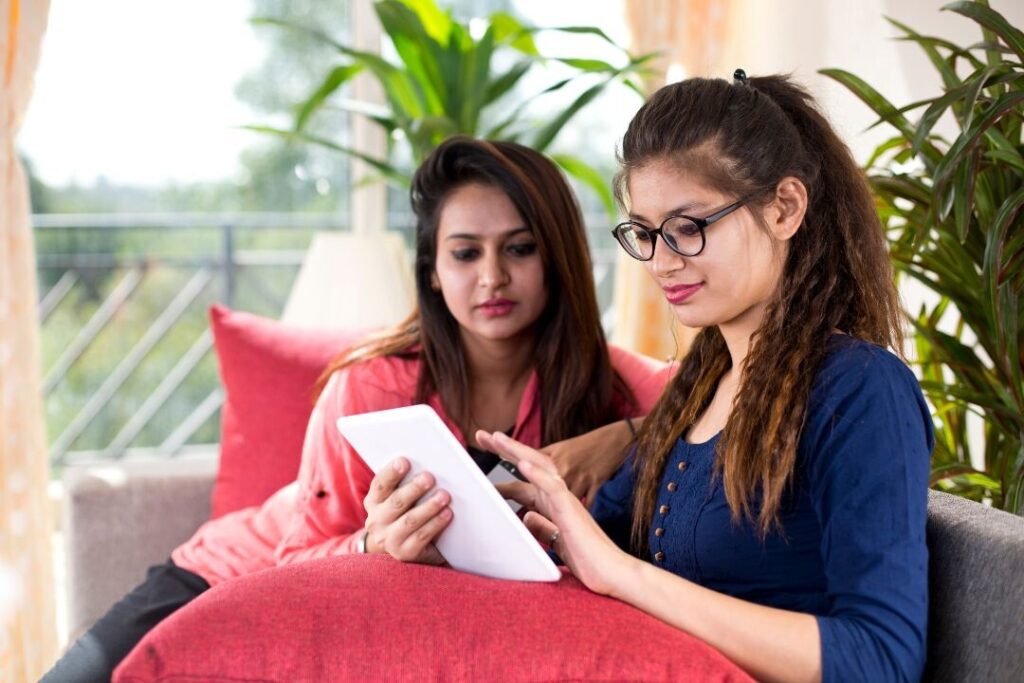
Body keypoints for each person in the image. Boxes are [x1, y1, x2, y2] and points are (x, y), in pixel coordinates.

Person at [43, 137, 670, 682]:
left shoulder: (607, 383)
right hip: (229, 576)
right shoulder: (370, 386)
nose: (492, 278)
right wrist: (374, 544)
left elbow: (725, 394)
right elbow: (292, 556)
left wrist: (626, 435)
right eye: (465, 253)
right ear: (431, 272)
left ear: (558, 261)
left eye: (520, 248)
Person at [478, 72, 934, 683]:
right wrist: (466, 523)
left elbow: (881, 659)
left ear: (784, 209)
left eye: (689, 227)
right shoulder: (697, 392)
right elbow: (588, 545)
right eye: (644, 233)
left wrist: (626, 576)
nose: (662, 262)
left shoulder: (859, 390)